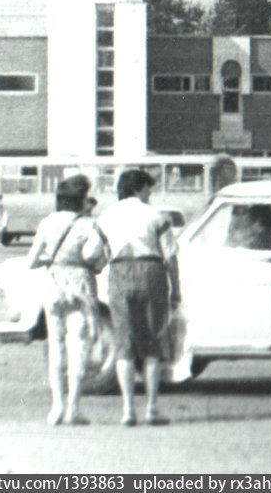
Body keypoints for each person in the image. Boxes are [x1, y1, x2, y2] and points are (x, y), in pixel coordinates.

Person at [95, 169, 181, 427]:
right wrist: (176, 288)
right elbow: (171, 256)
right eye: (148, 188)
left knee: (125, 343)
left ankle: (128, 410)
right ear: (139, 188)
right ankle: (152, 408)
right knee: (153, 342)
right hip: (152, 272)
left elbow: (92, 252)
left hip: (120, 273)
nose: (150, 193)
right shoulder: (156, 215)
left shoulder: (105, 216)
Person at [23, 175, 109, 425]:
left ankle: (56, 407)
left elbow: (30, 262)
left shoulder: (47, 222)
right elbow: (91, 256)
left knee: (55, 347)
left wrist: (51, 260)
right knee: (78, 346)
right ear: (82, 200)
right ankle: (74, 408)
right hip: (80, 285)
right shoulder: (88, 225)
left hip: (53, 285)